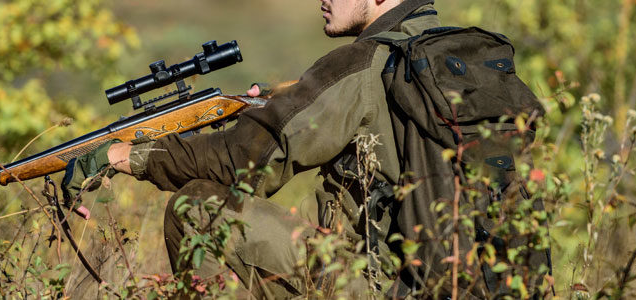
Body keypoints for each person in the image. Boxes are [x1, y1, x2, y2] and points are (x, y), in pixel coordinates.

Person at [64, 0, 550, 298]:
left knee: (198, 208)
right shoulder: (458, 60)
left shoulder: (361, 63)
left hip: (380, 289)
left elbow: (245, 162)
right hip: (475, 286)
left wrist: (124, 155)